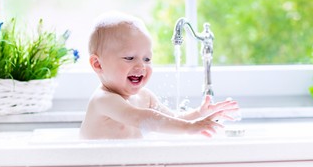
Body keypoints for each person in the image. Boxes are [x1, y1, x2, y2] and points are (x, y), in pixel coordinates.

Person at [80, 12, 239, 139]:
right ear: (98, 64)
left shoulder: (145, 97)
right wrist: (190, 128)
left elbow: (174, 119)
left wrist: (200, 114)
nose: (141, 66)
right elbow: (142, 118)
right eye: (129, 58)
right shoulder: (103, 100)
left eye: (147, 59)